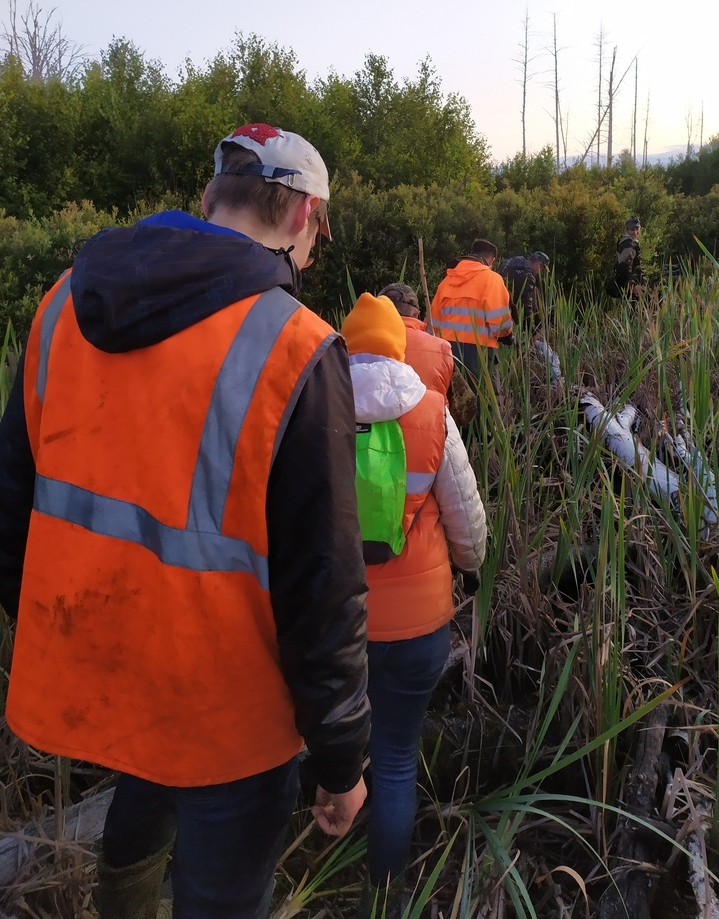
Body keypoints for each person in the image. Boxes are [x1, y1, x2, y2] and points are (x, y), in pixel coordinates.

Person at [0, 123, 370, 919]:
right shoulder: (297, 346)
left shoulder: (62, 303)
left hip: (103, 669)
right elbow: (324, 588)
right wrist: (342, 760)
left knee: (139, 805)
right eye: (317, 237)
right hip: (227, 713)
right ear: (304, 215)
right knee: (222, 893)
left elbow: (12, 499)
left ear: (210, 197)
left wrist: (53, 634)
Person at [341, 293, 487, 915]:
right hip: (419, 625)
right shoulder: (432, 412)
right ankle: (385, 893)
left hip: (341, 624)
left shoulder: (313, 408)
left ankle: (329, 843)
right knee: (399, 755)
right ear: (401, 347)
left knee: (344, 744)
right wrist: (474, 568)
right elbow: (467, 520)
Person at [377, 281, 476, 428]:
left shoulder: (354, 346)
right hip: (427, 437)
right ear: (416, 314)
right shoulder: (440, 348)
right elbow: (465, 409)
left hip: (372, 442)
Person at [430, 238, 513, 395]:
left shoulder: (447, 281)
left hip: (445, 352)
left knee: (452, 403)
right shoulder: (492, 279)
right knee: (481, 404)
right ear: (492, 260)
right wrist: (507, 335)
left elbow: (432, 324)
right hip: (477, 355)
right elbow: (499, 325)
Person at [497, 250, 549, 330]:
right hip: (506, 316)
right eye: (541, 269)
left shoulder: (507, 262)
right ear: (539, 264)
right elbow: (527, 306)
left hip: (492, 307)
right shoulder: (528, 277)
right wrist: (531, 330)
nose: (539, 272)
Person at [614, 216, 645, 299]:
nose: (635, 232)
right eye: (632, 230)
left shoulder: (630, 243)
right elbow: (623, 268)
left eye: (637, 229)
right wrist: (633, 286)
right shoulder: (628, 246)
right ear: (626, 230)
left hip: (631, 285)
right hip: (629, 287)